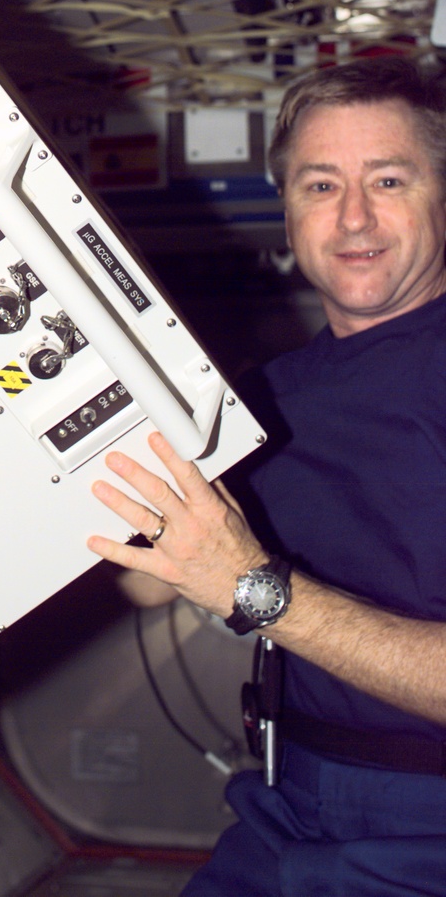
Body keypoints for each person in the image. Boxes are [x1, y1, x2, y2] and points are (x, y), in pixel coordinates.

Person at [87, 54, 446, 895]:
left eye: (388, 179)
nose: (353, 215)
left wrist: (255, 588)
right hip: (290, 805)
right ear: (287, 212)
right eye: (321, 185)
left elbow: (236, 580)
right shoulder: (263, 400)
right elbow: (144, 581)